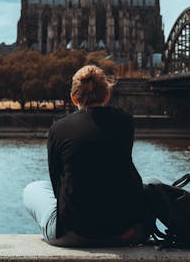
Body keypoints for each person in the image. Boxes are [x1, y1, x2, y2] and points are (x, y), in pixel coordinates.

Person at [23, 64, 150, 247]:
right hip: (123, 231)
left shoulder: (59, 128)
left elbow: (56, 181)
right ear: (107, 95)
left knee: (33, 189)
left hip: (73, 233)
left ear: (74, 98)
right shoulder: (125, 121)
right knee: (151, 182)